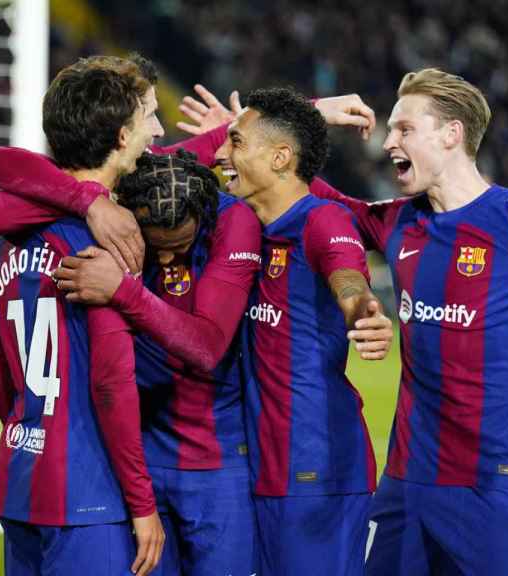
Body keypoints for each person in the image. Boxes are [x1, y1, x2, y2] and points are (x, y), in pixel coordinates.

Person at [175, 70, 508, 574]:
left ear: (451, 134)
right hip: (405, 483)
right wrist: (248, 141)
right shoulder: (398, 220)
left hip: (492, 482)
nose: (387, 142)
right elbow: (302, 194)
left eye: (403, 129)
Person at [0, 145, 263, 574]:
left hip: (214, 466)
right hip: (133, 460)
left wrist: (122, 289)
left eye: (179, 247)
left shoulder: (230, 218)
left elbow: (207, 347)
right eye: (156, 247)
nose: (164, 260)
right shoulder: (114, 213)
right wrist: (87, 199)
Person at [0, 54, 164, 576]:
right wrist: (143, 504)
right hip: (87, 490)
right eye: (149, 117)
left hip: (21, 475)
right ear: (122, 137)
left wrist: (30, 422)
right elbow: (110, 381)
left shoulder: (10, 238)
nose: (159, 131)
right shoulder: (105, 244)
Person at [212, 86, 391, 575]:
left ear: (280, 157)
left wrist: (363, 313)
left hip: (316, 467)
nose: (219, 153)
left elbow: (347, 273)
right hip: (262, 466)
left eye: (234, 141)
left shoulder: (321, 218)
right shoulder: (242, 225)